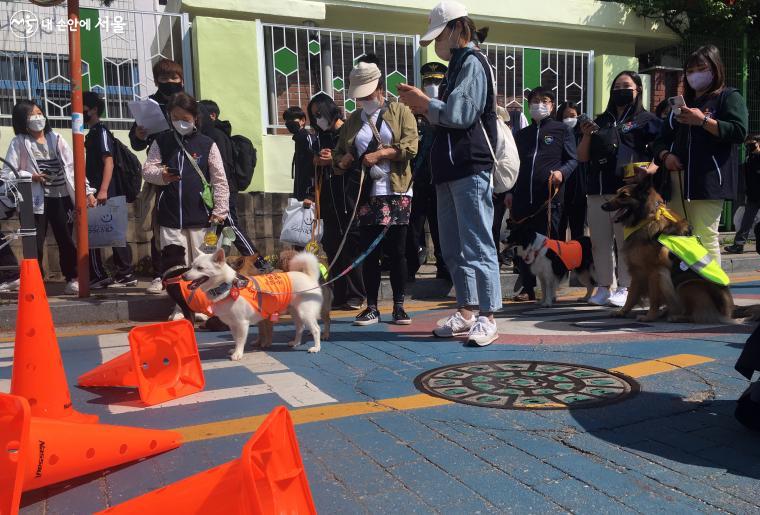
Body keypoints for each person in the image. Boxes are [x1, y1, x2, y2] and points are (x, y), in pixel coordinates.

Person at [398, 1, 502, 347]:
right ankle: (467, 311)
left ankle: (487, 315)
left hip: (470, 165)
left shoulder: (472, 62)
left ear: (459, 28)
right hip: (449, 168)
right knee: (454, 246)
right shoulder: (458, 65)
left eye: (439, 35)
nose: (437, 45)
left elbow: (460, 115)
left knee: (476, 242)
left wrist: (424, 105)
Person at [334, 55, 418, 326]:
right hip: (366, 193)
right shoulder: (353, 119)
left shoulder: (400, 111)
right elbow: (340, 154)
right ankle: (371, 306)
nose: (362, 99)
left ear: (379, 86)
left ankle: (399, 305)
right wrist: (340, 160)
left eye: (366, 93)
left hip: (398, 190)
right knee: (369, 253)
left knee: (398, 251)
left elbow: (411, 147)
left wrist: (381, 153)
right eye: (359, 95)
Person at [652, 45, 748, 267]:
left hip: (708, 180)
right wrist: (665, 155)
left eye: (701, 68)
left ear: (715, 69)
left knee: (705, 236)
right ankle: (685, 291)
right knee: (678, 237)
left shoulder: (728, 97)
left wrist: (703, 121)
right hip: (676, 181)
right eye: (690, 70)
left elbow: (739, 131)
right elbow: (660, 139)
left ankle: (713, 293)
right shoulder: (681, 103)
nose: (695, 74)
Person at [577, 70, 661, 307]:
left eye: (626, 86)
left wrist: (651, 170)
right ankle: (604, 286)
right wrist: (585, 135)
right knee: (599, 242)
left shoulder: (648, 120)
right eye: (616, 87)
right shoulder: (600, 121)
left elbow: (660, 150)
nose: (619, 91)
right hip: (597, 190)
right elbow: (582, 157)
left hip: (627, 193)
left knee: (625, 242)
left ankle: (626, 286)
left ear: (638, 90)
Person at [1, 100, 96, 295]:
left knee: (66, 239)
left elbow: (74, 167)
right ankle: (35, 280)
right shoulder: (19, 142)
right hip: (34, 200)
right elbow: (7, 173)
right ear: (22, 121)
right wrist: (30, 177)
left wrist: (87, 191)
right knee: (34, 242)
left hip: (61, 197)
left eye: (39, 113)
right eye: (31, 115)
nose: (37, 118)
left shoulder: (57, 138)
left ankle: (72, 278)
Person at [142, 92, 229, 266]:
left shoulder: (207, 144)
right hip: (169, 215)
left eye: (185, 118)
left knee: (203, 263)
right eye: (175, 117)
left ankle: (201, 294)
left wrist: (220, 211)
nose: (180, 122)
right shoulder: (161, 141)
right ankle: (175, 293)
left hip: (202, 217)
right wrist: (162, 175)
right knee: (174, 263)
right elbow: (147, 170)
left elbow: (219, 179)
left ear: (195, 118)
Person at [508, 87, 577, 302]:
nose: (540, 104)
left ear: (552, 105)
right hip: (521, 199)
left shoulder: (561, 130)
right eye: (535, 100)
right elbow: (512, 164)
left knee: (550, 246)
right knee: (523, 245)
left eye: (544, 100)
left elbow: (572, 160)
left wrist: (561, 173)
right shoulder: (521, 134)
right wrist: (509, 191)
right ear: (529, 105)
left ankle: (551, 290)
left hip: (549, 199)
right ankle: (527, 288)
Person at [129, 59, 185, 295]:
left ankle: (186, 272)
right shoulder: (149, 106)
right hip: (159, 172)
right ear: (156, 80)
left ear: (181, 79)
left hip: (186, 170)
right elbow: (135, 142)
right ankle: (159, 274)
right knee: (158, 224)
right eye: (164, 79)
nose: (170, 83)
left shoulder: (188, 103)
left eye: (174, 78)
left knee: (189, 225)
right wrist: (140, 135)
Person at [308, 93, 366, 309]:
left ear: (329, 110)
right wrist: (317, 161)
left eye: (319, 115)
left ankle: (356, 294)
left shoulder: (350, 130)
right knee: (332, 247)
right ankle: (338, 294)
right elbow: (313, 166)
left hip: (349, 197)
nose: (318, 120)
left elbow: (355, 158)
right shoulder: (320, 137)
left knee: (351, 246)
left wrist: (332, 159)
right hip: (328, 200)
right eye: (314, 117)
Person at [82, 91, 137, 289]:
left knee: (112, 232)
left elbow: (109, 161)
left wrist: (103, 190)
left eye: (83, 108)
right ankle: (119, 273)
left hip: (106, 191)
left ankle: (123, 273)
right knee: (110, 232)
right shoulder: (93, 132)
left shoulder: (101, 131)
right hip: (100, 190)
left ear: (94, 109)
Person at [198, 99, 263, 262]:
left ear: (212, 116)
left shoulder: (215, 136)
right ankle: (206, 261)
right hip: (218, 188)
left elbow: (222, 168)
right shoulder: (213, 134)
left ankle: (258, 261)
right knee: (214, 228)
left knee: (230, 224)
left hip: (224, 188)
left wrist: (220, 192)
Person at [406, 62, 449, 282]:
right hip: (416, 181)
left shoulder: (446, 111)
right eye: (429, 81)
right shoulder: (412, 112)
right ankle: (411, 266)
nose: (433, 85)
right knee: (413, 228)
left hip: (441, 181)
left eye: (437, 81)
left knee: (443, 227)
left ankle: (444, 265)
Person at [556, 101, 587, 241]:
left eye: (573, 115)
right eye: (566, 116)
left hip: (579, 186)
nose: (569, 119)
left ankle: (578, 259)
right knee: (559, 226)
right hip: (561, 184)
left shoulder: (583, 135)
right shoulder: (557, 134)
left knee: (577, 228)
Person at [726, 135, 760, 254]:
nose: (749, 146)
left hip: (755, 195)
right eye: (747, 144)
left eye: (752, 143)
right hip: (753, 196)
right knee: (746, 221)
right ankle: (738, 245)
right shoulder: (749, 158)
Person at [284, 106, 316, 204]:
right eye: (286, 121)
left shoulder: (307, 138)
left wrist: (311, 194)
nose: (288, 123)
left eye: (292, 119)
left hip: (308, 195)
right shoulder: (298, 140)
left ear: (302, 121)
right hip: (300, 191)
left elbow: (314, 166)